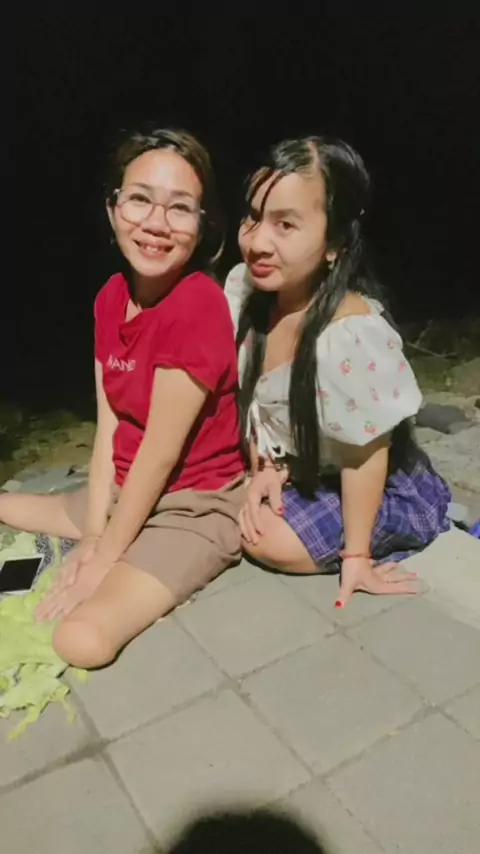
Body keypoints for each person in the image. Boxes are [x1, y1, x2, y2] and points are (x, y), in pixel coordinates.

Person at [0, 127, 245, 667]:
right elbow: (109, 427)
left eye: (180, 208)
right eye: (139, 199)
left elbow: (159, 453)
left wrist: (101, 561)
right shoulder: (111, 298)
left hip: (192, 506)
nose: (156, 223)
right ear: (113, 209)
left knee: (81, 641)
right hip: (123, 490)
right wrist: (93, 534)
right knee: (5, 506)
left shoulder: (198, 305)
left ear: (203, 225)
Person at [224, 135, 451, 608]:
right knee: (234, 505)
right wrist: (269, 468)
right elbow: (257, 402)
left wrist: (357, 557)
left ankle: (403, 523)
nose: (258, 242)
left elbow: (364, 457)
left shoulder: (349, 335)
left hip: (374, 480)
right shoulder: (248, 292)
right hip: (305, 465)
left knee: (265, 539)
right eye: (253, 217)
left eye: (285, 225)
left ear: (334, 244)